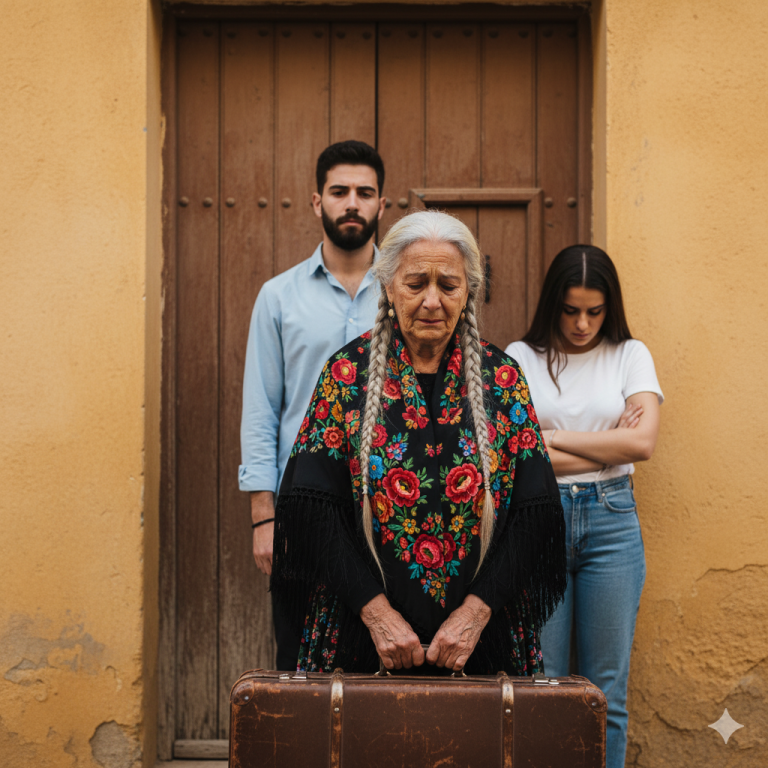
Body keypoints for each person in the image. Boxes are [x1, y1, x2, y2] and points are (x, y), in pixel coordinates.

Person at [270, 210, 566, 675]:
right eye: (415, 284)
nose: (432, 301)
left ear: (468, 291)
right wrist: (376, 615)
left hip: (479, 643)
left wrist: (475, 613)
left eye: (448, 285)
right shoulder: (346, 376)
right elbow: (312, 511)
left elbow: (535, 513)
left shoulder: (502, 379)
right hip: (361, 637)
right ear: (387, 287)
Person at [505, 245, 663, 768]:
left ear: (609, 307)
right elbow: (516, 462)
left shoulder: (630, 355)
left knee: (605, 693)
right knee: (542, 686)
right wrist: (601, 443)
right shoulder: (520, 358)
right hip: (539, 523)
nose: (581, 323)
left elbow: (641, 446)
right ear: (554, 304)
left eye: (594, 312)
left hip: (612, 524)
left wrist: (553, 442)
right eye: (570, 310)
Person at [239, 140, 386, 669]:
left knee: (382, 664)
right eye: (339, 191)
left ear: (382, 205)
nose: (352, 203)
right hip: (301, 508)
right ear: (315, 202)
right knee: (301, 664)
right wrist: (263, 518)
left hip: (389, 505)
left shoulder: (406, 292)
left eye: (364, 193)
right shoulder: (278, 297)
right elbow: (262, 408)